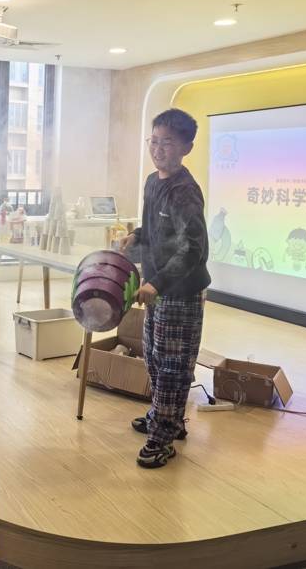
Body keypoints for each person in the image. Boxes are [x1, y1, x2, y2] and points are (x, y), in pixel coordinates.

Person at [120, 108, 211, 469]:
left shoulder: (185, 192)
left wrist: (157, 282)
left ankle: (162, 437)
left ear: (186, 148)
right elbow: (155, 229)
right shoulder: (152, 182)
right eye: (154, 141)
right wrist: (136, 237)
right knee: (155, 358)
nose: (158, 149)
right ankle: (166, 418)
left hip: (180, 291)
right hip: (156, 288)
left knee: (173, 366)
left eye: (167, 143)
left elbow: (192, 249)